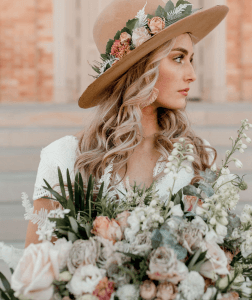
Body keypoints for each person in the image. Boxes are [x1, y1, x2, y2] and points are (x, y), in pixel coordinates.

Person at [25, 0, 229, 247]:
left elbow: (219, 255)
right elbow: (35, 268)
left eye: (191, 59)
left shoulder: (198, 155)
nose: (192, 74)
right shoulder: (64, 158)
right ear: (141, 67)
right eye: (178, 58)